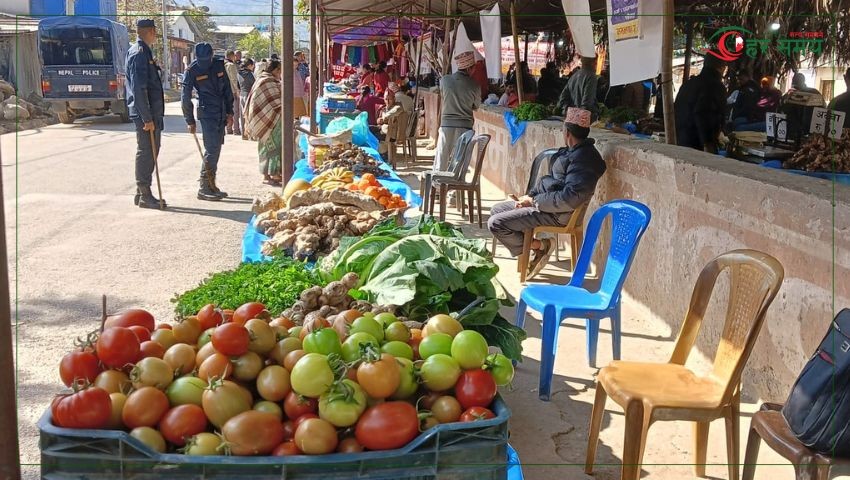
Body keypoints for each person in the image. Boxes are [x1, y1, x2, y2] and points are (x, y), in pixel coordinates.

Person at [488, 107, 606, 279]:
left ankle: (540, 246)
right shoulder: (572, 151)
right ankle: (536, 248)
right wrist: (530, 196)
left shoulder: (584, 159)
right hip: (547, 205)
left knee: (496, 223)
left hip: (559, 214)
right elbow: (549, 181)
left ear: (567, 132)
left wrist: (534, 201)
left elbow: (569, 199)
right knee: (497, 210)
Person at [181, 42, 234, 201]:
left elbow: (227, 89)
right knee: (211, 150)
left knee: (216, 149)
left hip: (221, 112)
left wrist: (230, 112)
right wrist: (189, 120)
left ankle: (211, 184)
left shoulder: (219, 65)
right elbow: (185, 97)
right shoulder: (192, 70)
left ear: (212, 56)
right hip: (207, 114)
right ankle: (204, 187)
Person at [126, 18, 166, 209]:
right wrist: (147, 118)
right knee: (147, 152)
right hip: (146, 113)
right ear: (150, 31)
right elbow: (139, 88)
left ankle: (141, 192)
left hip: (151, 112)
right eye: (155, 32)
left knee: (152, 150)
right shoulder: (139, 53)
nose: (156, 35)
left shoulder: (144, 51)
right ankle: (145, 193)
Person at [434, 50, 481, 171]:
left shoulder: (444, 80)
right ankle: (456, 185)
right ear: (470, 68)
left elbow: (444, 97)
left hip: (446, 125)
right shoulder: (475, 85)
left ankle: (438, 184)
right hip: (465, 128)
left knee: (442, 156)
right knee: (459, 160)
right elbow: (476, 106)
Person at [674, 55, 727, 153]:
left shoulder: (689, 84)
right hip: (697, 144)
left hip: (681, 139)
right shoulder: (716, 86)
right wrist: (707, 143)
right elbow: (703, 114)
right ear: (722, 67)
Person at [244, 60, 283, 185]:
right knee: (272, 147)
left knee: (269, 147)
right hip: (270, 119)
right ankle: (270, 175)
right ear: (275, 70)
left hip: (269, 118)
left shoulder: (262, 79)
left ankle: (272, 174)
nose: (280, 73)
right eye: (279, 70)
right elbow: (276, 101)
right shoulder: (267, 81)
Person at [558, 56, 599, 121]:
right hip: (583, 120)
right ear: (593, 62)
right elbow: (587, 102)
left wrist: (567, 111)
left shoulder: (574, 75)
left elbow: (562, 99)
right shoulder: (591, 76)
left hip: (571, 117)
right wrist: (580, 118)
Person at [237, 58, 256, 140]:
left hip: (242, 95)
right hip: (250, 95)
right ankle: (251, 134)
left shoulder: (238, 73)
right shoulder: (251, 74)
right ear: (249, 65)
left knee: (243, 115)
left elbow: (238, 85)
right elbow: (254, 85)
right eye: (252, 65)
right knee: (250, 115)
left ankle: (244, 134)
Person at [224, 50, 241, 135]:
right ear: (232, 56)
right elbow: (234, 79)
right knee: (235, 111)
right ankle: (236, 129)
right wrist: (237, 91)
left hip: (224, 91)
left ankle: (228, 128)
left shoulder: (222, 64)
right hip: (232, 91)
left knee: (227, 110)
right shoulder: (231, 65)